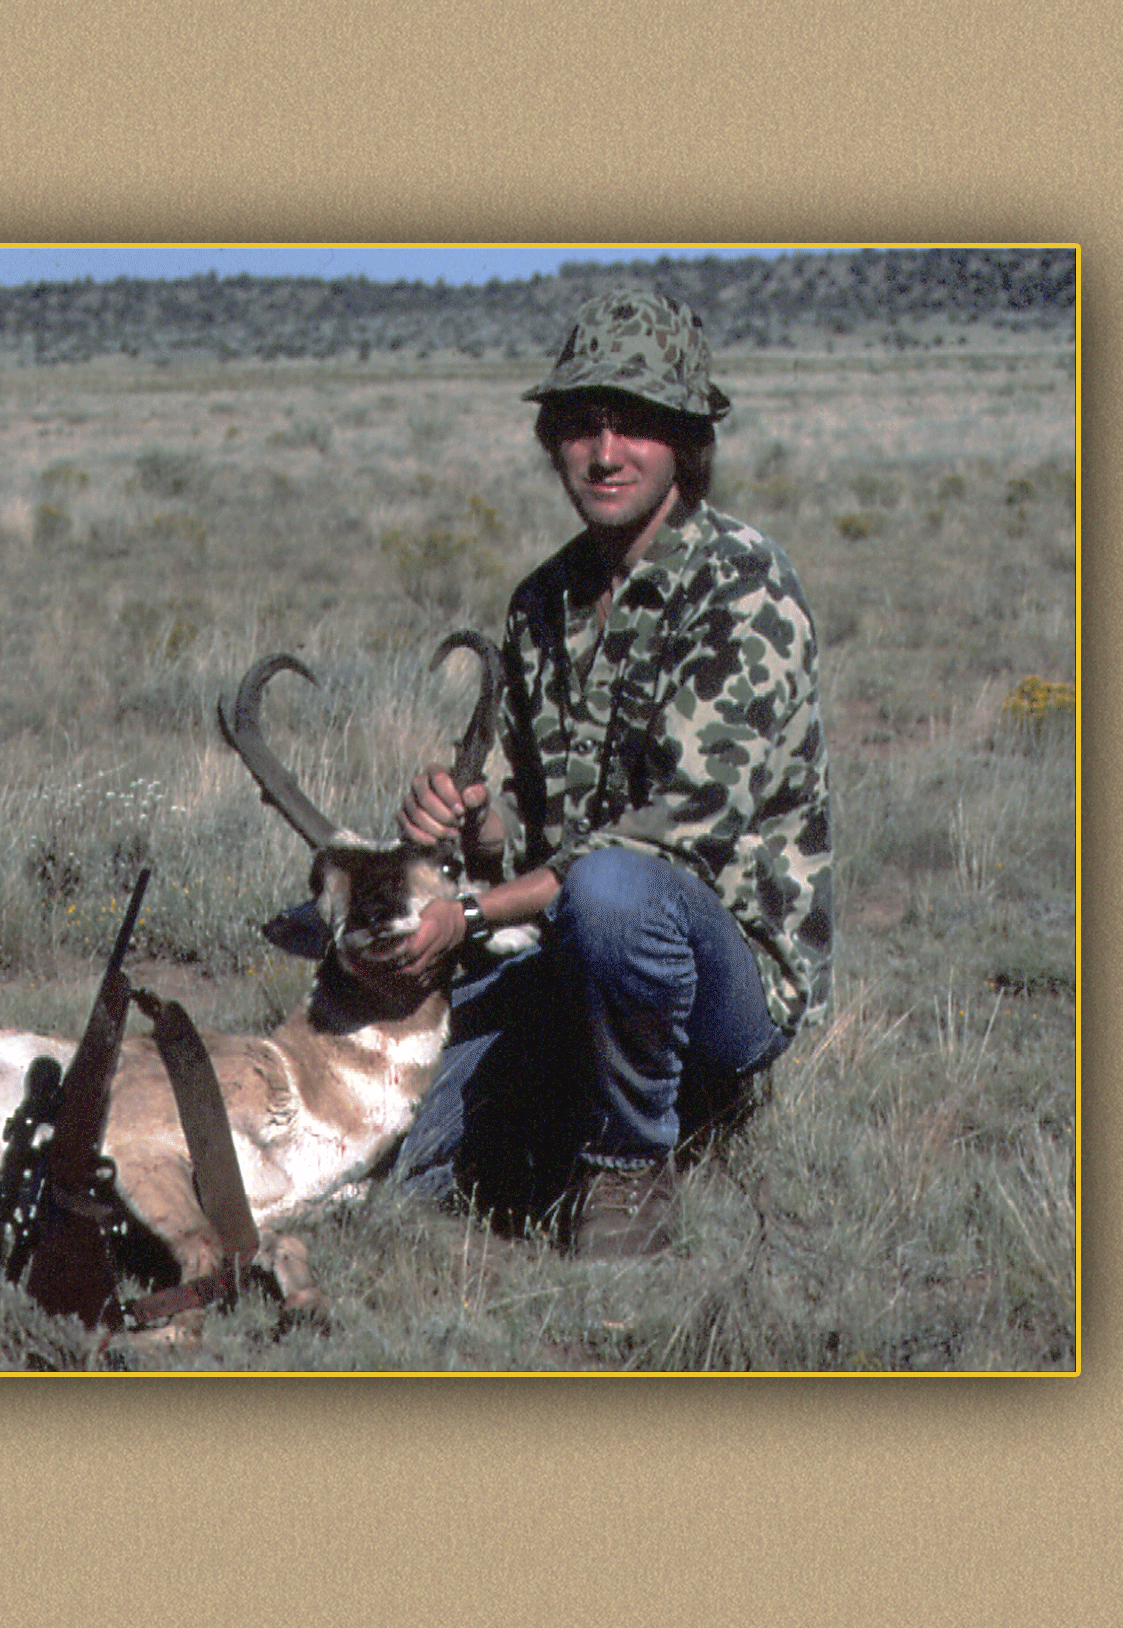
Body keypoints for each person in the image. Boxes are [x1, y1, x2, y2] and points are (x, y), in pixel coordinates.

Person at [389, 289, 832, 1258]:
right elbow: (525, 826)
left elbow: (655, 842)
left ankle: (630, 1165)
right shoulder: (541, 601)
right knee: (386, 1163)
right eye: (583, 423)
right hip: (567, 954)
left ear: (684, 441)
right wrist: (466, 824)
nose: (604, 451)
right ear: (553, 439)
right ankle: (562, 1115)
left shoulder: (744, 588)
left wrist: (469, 912)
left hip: (720, 983)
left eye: (634, 423)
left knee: (620, 890)